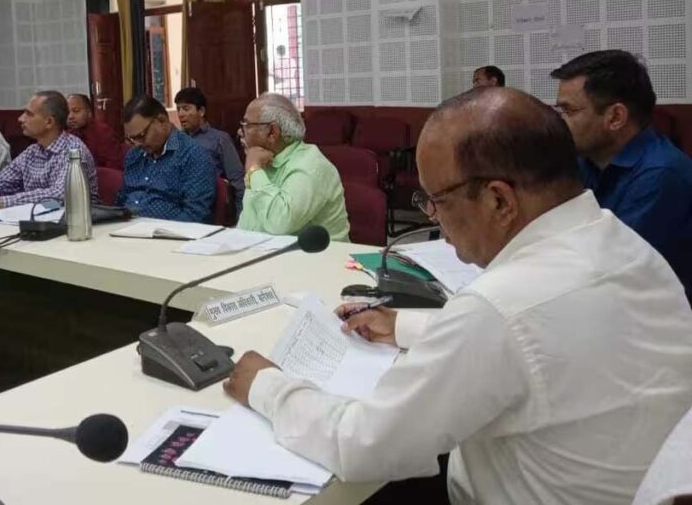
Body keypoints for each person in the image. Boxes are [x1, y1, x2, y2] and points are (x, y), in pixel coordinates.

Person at [224, 87, 692, 505]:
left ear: (499, 200)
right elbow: (554, 336)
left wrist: (267, 386)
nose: (433, 218)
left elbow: (362, 444)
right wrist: (404, 326)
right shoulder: (625, 247)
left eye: (437, 201)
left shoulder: (499, 306)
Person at [552, 50, 692, 298]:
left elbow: (610, 268)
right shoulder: (586, 159)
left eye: (569, 111)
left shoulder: (661, 175)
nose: (559, 122)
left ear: (615, 117)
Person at [0, 91, 97, 213]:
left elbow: (60, 195)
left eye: (29, 114)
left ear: (49, 122)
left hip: (81, 225)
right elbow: (2, 181)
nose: (20, 119)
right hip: (41, 222)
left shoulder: (73, 150)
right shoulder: (32, 151)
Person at [236, 93, 349, 241]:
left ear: (272, 132)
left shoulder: (311, 165)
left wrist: (254, 170)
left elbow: (279, 223)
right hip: (263, 250)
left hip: (317, 254)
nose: (240, 131)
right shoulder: (262, 159)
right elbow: (247, 224)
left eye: (247, 125)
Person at [116, 94, 216, 223]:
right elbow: (121, 201)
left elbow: (195, 215)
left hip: (168, 232)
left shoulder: (193, 155)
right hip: (125, 228)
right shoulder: (134, 155)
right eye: (132, 139)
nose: (137, 144)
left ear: (162, 121)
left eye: (141, 135)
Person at [174, 87, 245, 217]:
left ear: (201, 111)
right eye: (178, 109)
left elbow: (237, 180)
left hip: (208, 204)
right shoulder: (176, 140)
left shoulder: (220, 139)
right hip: (177, 203)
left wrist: (241, 217)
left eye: (186, 109)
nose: (181, 114)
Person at [66, 93, 124, 170]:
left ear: (89, 112)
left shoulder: (102, 132)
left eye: (76, 111)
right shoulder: (68, 134)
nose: (70, 116)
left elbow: (115, 165)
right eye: (67, 112)